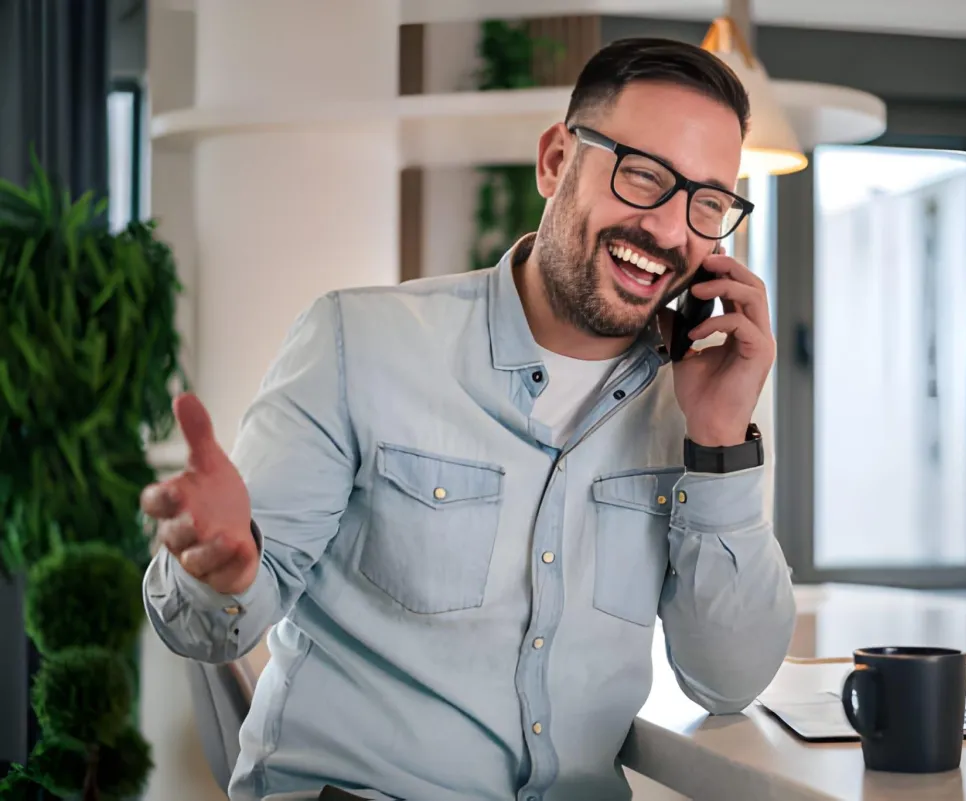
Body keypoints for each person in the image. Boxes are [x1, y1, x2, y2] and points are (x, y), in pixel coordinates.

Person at [141, 37, 796, 801]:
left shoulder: (694, 408)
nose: (671, 229)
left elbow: (729, 680)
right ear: (555, 161)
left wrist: (718, 442)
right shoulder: (359, 342)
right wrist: (218, 569)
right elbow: (206, 627)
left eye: (709, 203)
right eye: (643, 176)